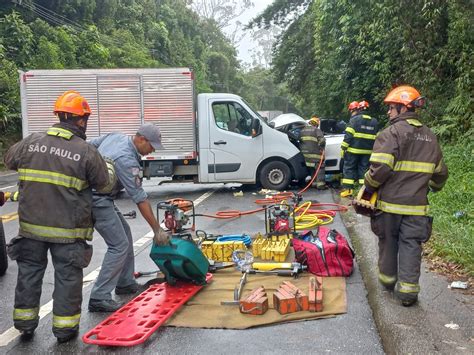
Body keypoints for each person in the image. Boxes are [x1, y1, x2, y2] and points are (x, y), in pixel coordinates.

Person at [4, 91, 109, 343]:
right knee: (68, 279)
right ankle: (64, 330)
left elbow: (9, 160)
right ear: (81, 121)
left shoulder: (30, 142)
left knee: (28, 274)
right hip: (68, 233)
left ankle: (25, 323)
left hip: (31, 230)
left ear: (59, 116)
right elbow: (104, 184)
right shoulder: (85, 151)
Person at [363, 85, 448, 307]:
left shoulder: (390, 134)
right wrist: (430, 187)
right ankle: (408, 293)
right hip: (417, 208)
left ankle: (388, 282)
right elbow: (440, 174)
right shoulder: (431, 137)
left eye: (391, 108)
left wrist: (368, 187)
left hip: (390, 207)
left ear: (403, 108)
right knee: (411, 246)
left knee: (388, 242)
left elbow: (379, 170)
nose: (389, 113)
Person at [88, 123, 170, 312]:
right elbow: (140, 199)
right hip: (96, 201)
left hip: (100, 197)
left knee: (125, 234)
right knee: (119, 245)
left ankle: (125, 283)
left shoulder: (115, 135)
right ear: (141, 139)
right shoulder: (126, 159)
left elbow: (87, 146)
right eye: (151, 146)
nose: (151, 152)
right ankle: (99, 296)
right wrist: (157, 230)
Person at [340, 100, 379, 197]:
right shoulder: (374, 122)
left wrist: (343, 148)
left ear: (359, 109)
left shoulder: (355, 120)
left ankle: (348, 190)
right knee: (364, 169)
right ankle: (362, 190)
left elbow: (348, 135)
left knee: (349, 168)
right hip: (367, 151)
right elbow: (378, 138)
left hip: (353, 150)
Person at [300, 115, 327, 189]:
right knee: (320, 167)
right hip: (315, 154)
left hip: (306, 155)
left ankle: (314, 183)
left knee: (312, 168)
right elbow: (322, 141)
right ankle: (321, 185)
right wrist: (321, 149)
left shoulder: (302, 130)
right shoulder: (316, 130)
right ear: (316, 124)